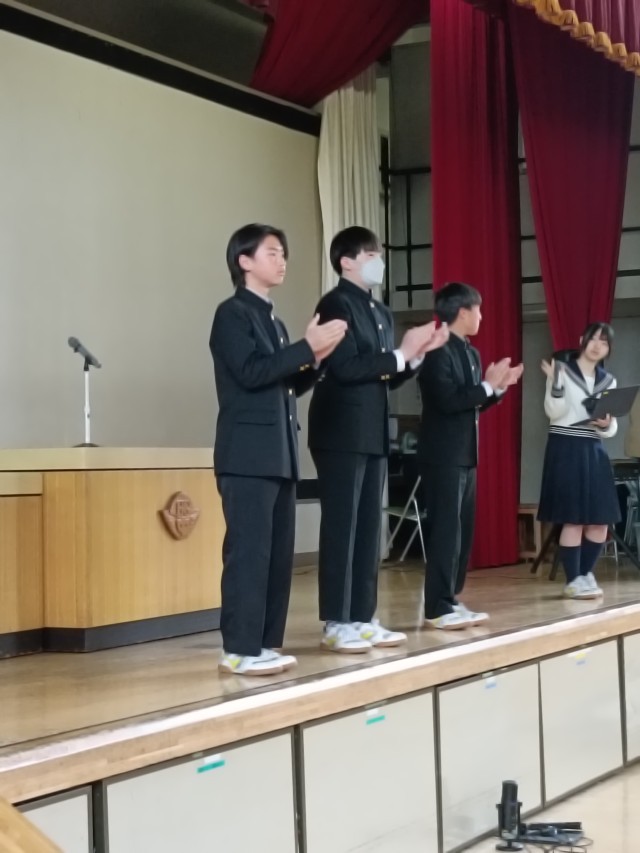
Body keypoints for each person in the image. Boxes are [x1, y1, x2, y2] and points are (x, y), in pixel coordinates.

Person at [210, 223, 347, 675]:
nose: (282, 260)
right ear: (244, 261)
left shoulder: (275, 320)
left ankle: (264, 643)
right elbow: (251, 372)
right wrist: (306, 348)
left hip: (278, 453)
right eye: (272, 252)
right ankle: (239, 648)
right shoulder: (232, 314)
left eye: (283, 253)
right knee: (249, 553)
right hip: (247, 455)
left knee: (276, 554)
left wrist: (315, 360)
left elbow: (284, 385)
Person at [308, 226, 449, 653]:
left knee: (370, 526)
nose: (379, 261)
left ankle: (362, 615)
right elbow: (346, 368)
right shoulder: (335, 303)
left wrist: (416, 355)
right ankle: (337, 620)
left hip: (371, 429)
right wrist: (401, 353)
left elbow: (385, 373)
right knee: (343, 525)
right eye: (371, 254)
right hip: (339, 428)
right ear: (346, 261)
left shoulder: (381, 311)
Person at [417, 282, 523, 630]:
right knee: (446, 531)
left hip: (466, 452)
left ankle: (451, 598)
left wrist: (498, 388)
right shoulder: (437, 350)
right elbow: (448, 401)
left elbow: (472, 403)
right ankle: (437, 606)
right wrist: (487, 387)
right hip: (442, 454)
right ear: (463, 312)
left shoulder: (471, 353)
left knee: (462, 532)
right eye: (478, 310)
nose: (481, 316)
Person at [538, 322, 620, 600]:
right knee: (572, 519)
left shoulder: (608, 381)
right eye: (594, 339)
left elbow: (611, 428)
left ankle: (585, 574)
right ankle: (572, 580)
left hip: (593, 448)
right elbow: (553, 411)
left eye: (604, 342)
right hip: (565, 445)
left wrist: (607, 423)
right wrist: (557, 383)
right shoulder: (561, 370)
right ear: (582, 339)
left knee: (600, 520)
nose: (597, 345)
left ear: (608, 349)